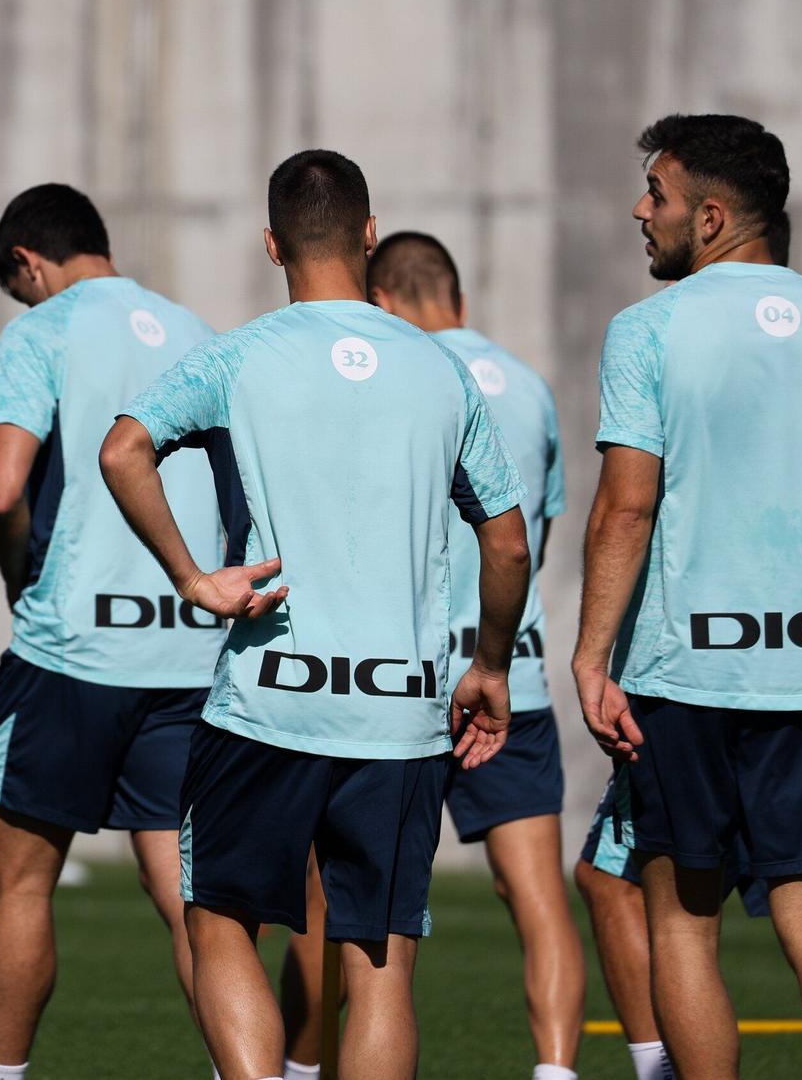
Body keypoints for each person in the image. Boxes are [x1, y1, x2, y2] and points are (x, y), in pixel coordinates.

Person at [99, 149, 532, 1080]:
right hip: (402, 714)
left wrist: (191, 578)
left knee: (218, 923)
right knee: (379, 969)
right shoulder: (442, 371)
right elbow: (507, 543)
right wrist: (490, 667)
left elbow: (122, 448)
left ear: (270, 244)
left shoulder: (235, 356)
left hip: (269, 700)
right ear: (371, 234)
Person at [571, 114, 802, 1080]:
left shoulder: (648, 329)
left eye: (654, 195)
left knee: (685, 925)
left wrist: (588, 655)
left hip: (684, 676)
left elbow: (626, 506)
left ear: (708, 217)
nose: (638, 211)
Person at [278, 231, 584, 1080]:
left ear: (382, 302)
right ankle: (556, 1070)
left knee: (333, 902)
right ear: (456, 294)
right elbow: (527, 542)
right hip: (506, 673)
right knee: (537, 895)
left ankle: (300, 1070)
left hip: (395, 682)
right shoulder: (525, 385)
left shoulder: (392, 378)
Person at [0, 184, 245, 1080]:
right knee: (191, 900)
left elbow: (3, 492)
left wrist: (22, 580)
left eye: (20, 287)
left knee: (19, 883)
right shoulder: (202, 331)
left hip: (73, 652)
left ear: (28, 263)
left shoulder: (40, 331)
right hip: (189, 652)